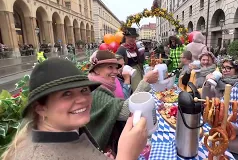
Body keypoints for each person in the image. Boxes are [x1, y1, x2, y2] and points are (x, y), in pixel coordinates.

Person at [0, 58, 148, 160]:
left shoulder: (66, 130)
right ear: (40, 108)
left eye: (84, 90)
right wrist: (126, 156)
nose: (83, 99)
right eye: (67, 94)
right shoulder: (37, 156)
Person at [86, 50, 159, 154]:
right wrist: (145, 81)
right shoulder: (96, 90)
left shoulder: (102, 84)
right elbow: (124, 111)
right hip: (101, 149)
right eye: (110, 67)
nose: (115, 71)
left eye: (116, 67)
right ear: (96, 69)